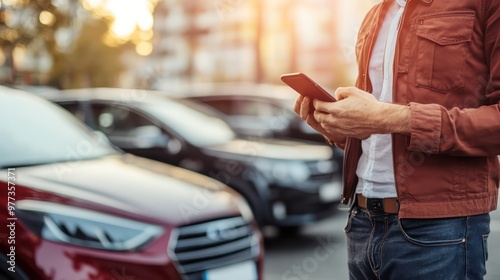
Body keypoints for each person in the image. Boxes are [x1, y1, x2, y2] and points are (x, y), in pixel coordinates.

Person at [294, 0, 500, 279]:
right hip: (362, 221)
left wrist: (390, 117)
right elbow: (375, 129)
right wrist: (339, 130)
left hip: (440, 231)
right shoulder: (374, 15)